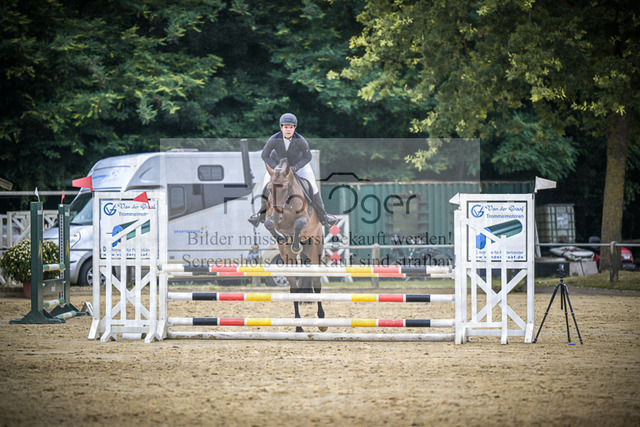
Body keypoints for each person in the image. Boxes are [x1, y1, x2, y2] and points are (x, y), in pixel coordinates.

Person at [248, 113, 338, 228]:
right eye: (286, 127)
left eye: (291, 127)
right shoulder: (274, 139)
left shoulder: (300, 140)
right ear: (281, 128)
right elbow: (264, 155)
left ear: (294, 128)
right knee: (266, 186)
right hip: (278, 167)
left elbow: (308, 157)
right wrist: (275, 167)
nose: (288, 130)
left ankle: (323, 216)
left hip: (298, 165)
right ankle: (260, 215)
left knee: (313, 186)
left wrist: (296, 167)